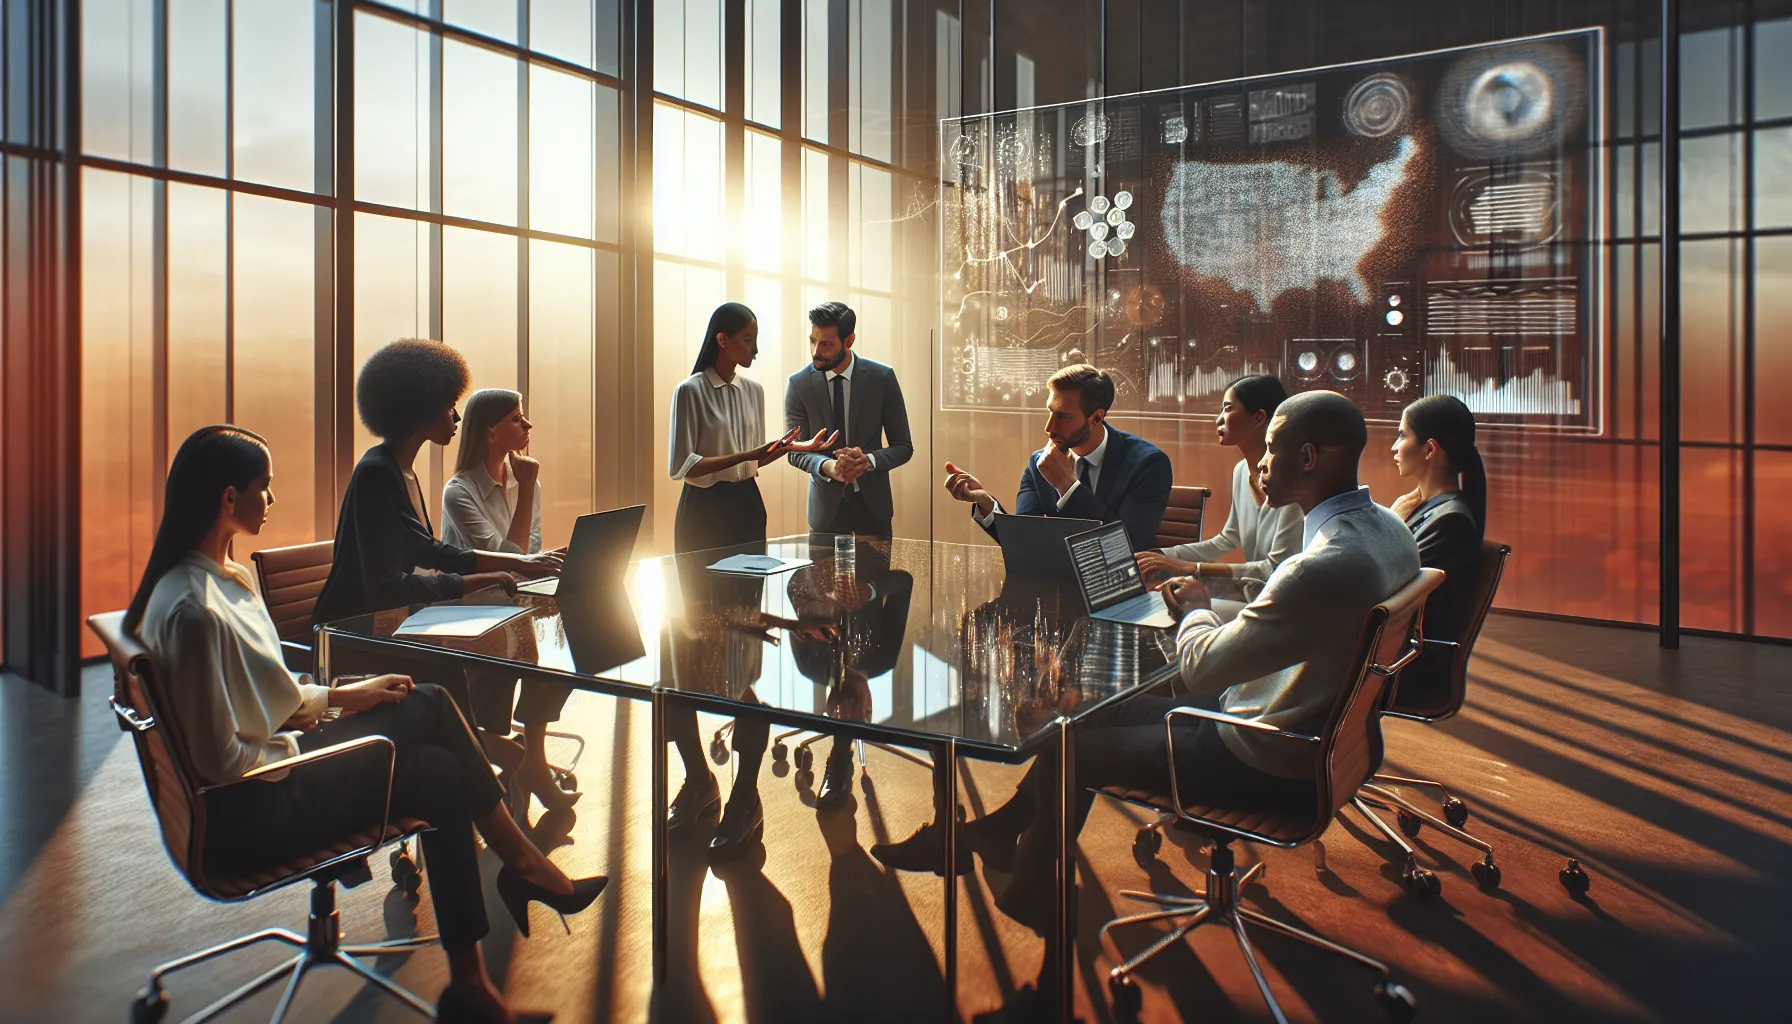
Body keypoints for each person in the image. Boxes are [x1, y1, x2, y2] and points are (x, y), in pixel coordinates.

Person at [954, 393, 1422, 1011]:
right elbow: (1286, 620)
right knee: (1092, 712)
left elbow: (1201, 665)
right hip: (1314, 735)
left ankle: (1039, 907)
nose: (1261, 463)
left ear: (1307, 458)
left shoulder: (1323, 564)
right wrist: (1206, 604)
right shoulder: (1385, 529)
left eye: (1274, 449)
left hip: (1262, 755)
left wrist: (1196, 608)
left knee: (1073, 744)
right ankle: (1010, 829)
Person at [128, 426, 604, 1024]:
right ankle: (517, 884)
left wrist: (344, 698)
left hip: (277, 761)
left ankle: (487, 959)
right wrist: (327, 716)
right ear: (229, 500)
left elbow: (258, 699)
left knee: (431, 736)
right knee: (432, 740)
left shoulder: (221, 579)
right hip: (250, 808)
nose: (272, 502)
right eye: (265, 489)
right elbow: (223, 759)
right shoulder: (194, 609)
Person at [666, 301, 836, 857]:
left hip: (745, 512)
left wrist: (786, 452)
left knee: (739, 643)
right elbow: (685, 467)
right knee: (690, 649)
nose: (755, 349)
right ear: (721, 340)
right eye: (747, 339)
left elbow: (747, 466)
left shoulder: (753, 391)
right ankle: (698, 779)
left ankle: (744, 797)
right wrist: (756, 451)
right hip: (701, 518)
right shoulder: (690, 391)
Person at [312, 339, 561, 627]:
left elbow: (430, 551)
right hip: (349, 631)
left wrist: (516, 563)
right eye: (450, 406)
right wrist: (480, 580)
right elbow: (387, 587)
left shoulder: (400, 470)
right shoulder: (376, 474)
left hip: (386, 623)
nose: (457, 416)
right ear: (422, 409)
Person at [441, 388, 579, 812]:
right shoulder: (458, 491)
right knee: (519, 648)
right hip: (474, 611)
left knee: (567, 640)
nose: (528, 426)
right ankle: (514, 763)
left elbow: (529, 557)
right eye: (518, 419)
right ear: (492, 431)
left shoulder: (526, 484)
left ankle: (532, 760)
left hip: (515, 600)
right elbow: (513, 557)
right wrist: (529, 485)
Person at [942, 363, 1172, 552]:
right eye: (1050, 411)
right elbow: (1023, 542)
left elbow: (1126, 548)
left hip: (1118, 594)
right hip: (1054, 590)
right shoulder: (1039, 463)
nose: (1049, 427)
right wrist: (985, 502)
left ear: (1097, 418)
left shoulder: (1148, 465)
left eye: (1064, 416)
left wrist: (1067, 487)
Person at [1135, 375, 1303, 597]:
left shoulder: (1293, 481)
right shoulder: (1241, 471)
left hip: (1284, 601)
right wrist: (1159, 555)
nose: (1218, 420)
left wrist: (1190, 568)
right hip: (1255, 593)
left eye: (1227, 408)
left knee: (1177, 606)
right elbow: (1227, 539)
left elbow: (1275, 568)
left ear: (1258, 417)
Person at [1387, 393, 1488, 709]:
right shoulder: (1429, 509)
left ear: (1430, 449)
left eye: (1402, 435)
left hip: (1402, 666)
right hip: (1392, 651)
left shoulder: (1450, 521)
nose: (1394, 446)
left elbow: (1387, 589)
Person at [783, 301, 914, 538]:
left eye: (826, 344)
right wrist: (828, 466)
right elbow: (793, 451)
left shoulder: (882, 378)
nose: (815, 351)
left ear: (849, 341)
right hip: (825, 515)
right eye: (812, 340)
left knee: (876, 574)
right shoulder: (798, 384)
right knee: (822, 576)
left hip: (875, 511)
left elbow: (904, 447)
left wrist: (869, 460)